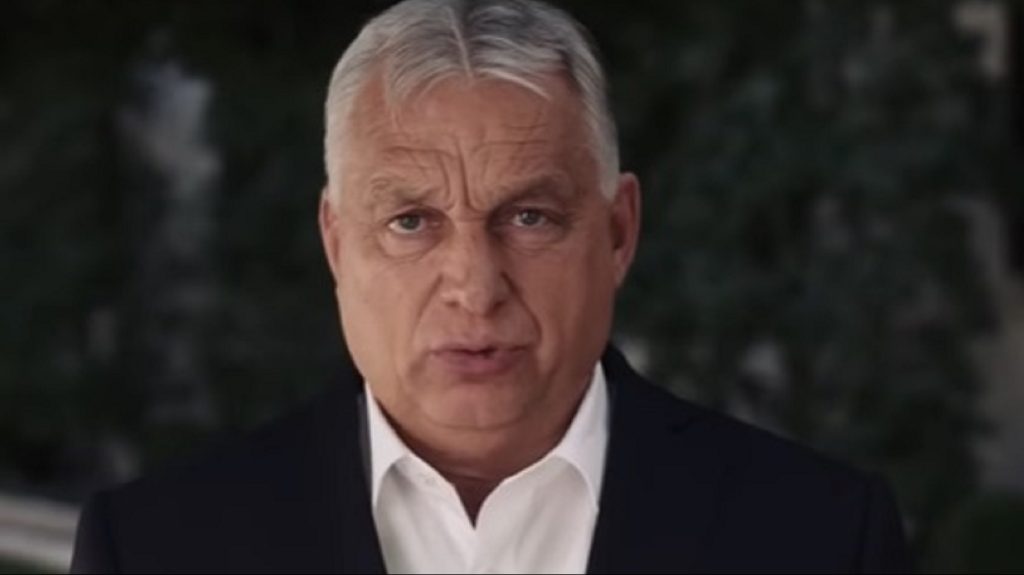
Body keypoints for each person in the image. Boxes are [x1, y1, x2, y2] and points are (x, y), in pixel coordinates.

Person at [70, 0, 912, 573]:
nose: (474, 287)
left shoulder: (822, 538)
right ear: (337, 243)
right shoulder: (154, 549)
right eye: (411, 222)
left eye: (530, 216)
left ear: (618, 232)